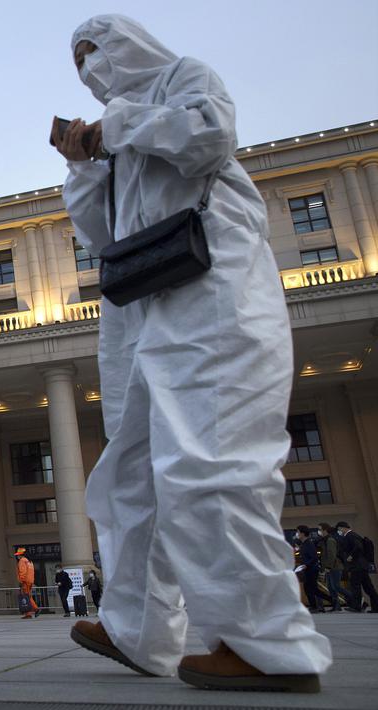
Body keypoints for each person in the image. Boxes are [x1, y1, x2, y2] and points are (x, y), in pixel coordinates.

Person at [57, 15, 330, 692]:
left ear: (129, 43)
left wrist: (117, 125)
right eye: (78, 62)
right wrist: (86, 165)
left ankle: (267, 643)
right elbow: (100, 230)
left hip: (211, 286)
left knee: (210, 456)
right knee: (131, 472)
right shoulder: (112, 134)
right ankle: (138, 629)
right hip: (139, 305)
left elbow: (208, 136)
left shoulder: (183, 79)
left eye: (96, 51)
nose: (91, 69)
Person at [336, 522, 377, 613]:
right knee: (368, 587)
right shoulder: (353, 535)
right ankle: (376, 607)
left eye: (339, 529)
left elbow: (358, 546)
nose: (339, 532)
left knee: (355, 586)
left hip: (356, 566)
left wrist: (351, 556)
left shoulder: (350, 535)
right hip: (361, 566)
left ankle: (356, 607)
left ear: (343, 528)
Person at [295, 527, 326, 613]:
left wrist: (306, 564)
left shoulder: (309, 543)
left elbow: (314, 557)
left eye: (298, 532)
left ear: (303, 533)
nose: (297, 534)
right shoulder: (304, 544)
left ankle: (317, 605)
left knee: (311, 588)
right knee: (309, 588)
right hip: (307, 569)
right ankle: (314, 606)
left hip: (312, 569)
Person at [317, 523, 344, 612]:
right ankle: (336, 606)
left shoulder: (330, 540)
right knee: (331, 587)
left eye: (320, 529)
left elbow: (332, 555)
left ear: (325, 530)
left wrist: (328, 566)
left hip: (334, 567)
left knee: (336, 586)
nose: (319, 531)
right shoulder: (324, 540)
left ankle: (353, 599)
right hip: (329, 568)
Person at [15, 548, 37, 619]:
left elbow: (23, 572)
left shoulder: (22, 561)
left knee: (26, 597)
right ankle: (35, 609)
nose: (17, 556)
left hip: (25, 581)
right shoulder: (29, 561)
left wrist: (21, 581)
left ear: (21, 555)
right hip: (30, 581)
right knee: (28, 596)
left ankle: (30, 613)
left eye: (18, 555)